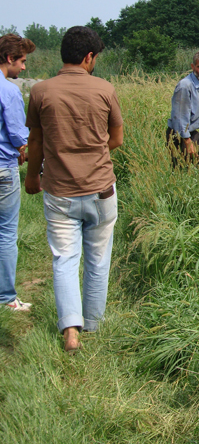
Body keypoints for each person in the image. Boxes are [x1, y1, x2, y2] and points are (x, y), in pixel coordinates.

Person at [25, 26, 123, 353]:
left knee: (64, 259)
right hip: (101, 191)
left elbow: (36, 142)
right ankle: (93, 325)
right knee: (98, 258)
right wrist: (92, 154)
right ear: (88, 57)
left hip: (59, 191)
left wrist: (32, 178)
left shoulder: (41, 91)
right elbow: (117, 139)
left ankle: (71, 330)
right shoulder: (104, 89)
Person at [0, 34, 36, 312]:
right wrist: (26, 149)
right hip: (3, 169)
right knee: (6, 233)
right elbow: (16, 134)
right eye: (22, 61)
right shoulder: (9, 91)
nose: (23, 68)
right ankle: (6, 298)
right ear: (10, 58)